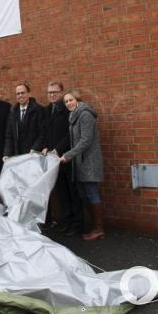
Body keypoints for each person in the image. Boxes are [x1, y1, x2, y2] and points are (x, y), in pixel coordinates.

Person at [59, 90, 106, 241]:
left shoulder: (85, 114)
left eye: (71, 100)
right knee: (85, 194)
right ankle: (94, 227)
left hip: (89, 161)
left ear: (77, 99)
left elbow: (85, 140)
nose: (68, 103)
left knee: (91, 193)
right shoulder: (73, 116)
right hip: (81, 162)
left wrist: (68, 155)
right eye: (66, 101)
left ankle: (99, 229)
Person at [42, 81, 83, 236]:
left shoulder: (67, 109)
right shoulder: (46, 111)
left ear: (61, 92)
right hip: (53, 159)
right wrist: (45, 146)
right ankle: (67, 221)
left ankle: (77, 224)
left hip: (68, 157)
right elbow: (45, 132)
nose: (52, 95)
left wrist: (58, 149)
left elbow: (69, 134)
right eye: (49, 92)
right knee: (61, 192)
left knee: (73, 192)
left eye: (55, 92)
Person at [3, 83, 46, 160]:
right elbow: (9, 135)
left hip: (34, 155)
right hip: (18, 155)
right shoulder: (12, 112)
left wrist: (35, 149)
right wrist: (7, 154)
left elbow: (42, 133)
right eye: (18, 94)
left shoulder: (38, 110)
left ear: (29, 94)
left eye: (22, 93)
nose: (20, 95)